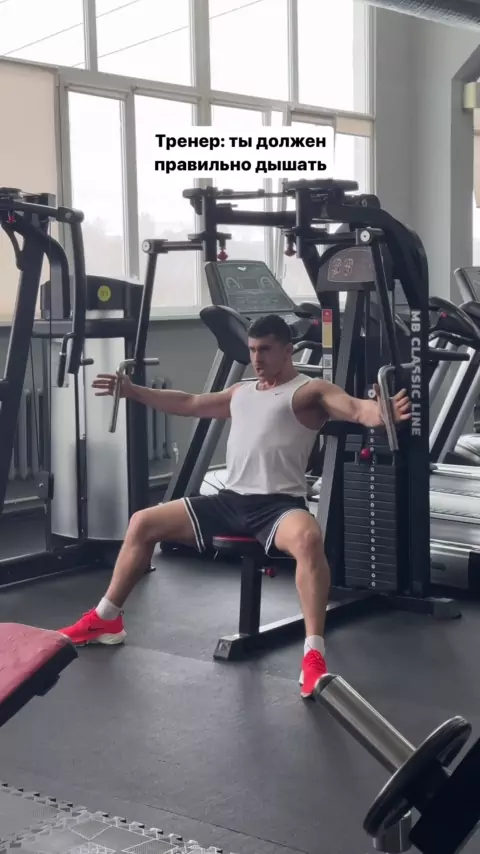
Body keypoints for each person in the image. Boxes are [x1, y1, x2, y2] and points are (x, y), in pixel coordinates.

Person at [59, 314, 411, 698]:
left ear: (288, 350)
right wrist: (132, 391)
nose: (256, 358)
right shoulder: (241, 391)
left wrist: (382, 413)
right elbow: (190, 403)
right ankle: (106, 619)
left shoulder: (309, 391)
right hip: (229, 501)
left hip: (277, 507)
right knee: (143, 522)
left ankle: (313, 656)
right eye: (252, 350)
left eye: (265, 350)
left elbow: (357, 410)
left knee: (309, 539)